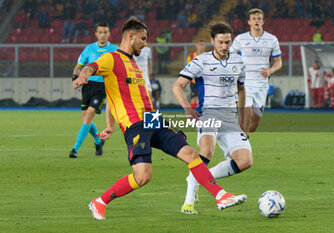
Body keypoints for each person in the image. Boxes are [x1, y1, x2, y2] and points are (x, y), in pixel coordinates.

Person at [73, 16, 246, 220]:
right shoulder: (111, 58)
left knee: (191, 154)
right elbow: (91, 67)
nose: (146, 43)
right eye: (143, 38)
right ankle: (99, 202)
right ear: (131, 36)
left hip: (153, 119)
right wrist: (84, 75)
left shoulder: (133, 63)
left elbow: (114, 98)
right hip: (135, 125)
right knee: (143, 176)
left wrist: (110, 126)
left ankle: (220, 195)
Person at [172, 20, 252, 214]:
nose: (225, 46)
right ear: (212, 41)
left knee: (245, 161)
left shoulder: (239, 62)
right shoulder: (201, 61)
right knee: (206, 150)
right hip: (208, 113)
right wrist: (187, 109)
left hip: (230, 116)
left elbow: (241, 89)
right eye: (221, 42)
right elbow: (177, 86)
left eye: (228, 42)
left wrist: (243, 121)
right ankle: (188, 202)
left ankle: (197, 177)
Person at [69, 21, 119, 158]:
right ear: (96, 34)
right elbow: (78, 66)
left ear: (109, 34)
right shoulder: (89, 49)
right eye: (100, 32)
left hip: (103, 86)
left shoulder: (114, 49)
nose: (103, 35)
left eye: (105, 32)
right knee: (85, 119)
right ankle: (98, 142)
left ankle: (75, 149)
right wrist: (75, 78)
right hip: (87, 85)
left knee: (89, 114)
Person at [231, 8, 282, 136]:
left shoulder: (272, 39)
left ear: (263, 22)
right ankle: (239, 148)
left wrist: (271, 70)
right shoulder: (240, 39)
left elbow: (278, 62)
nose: (256, 21)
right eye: (254, 19)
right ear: (249, 22)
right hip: (245, 82)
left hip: (262, 83)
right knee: (245, 124)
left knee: (253, 126)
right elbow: (230, 56)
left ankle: (236, 134)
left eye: (259, 18)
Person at [186, 40, 206, 110]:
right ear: (196, 46)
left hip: (203, 81)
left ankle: (198, 114)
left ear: (205, 46)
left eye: (202, 44)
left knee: (199, 99)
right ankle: (193, 115)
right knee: (193, 98)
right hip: (193, 81)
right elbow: (188, 69)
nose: (201, 46)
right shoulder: (191, 56)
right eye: (199, 44)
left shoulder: (207, 56)